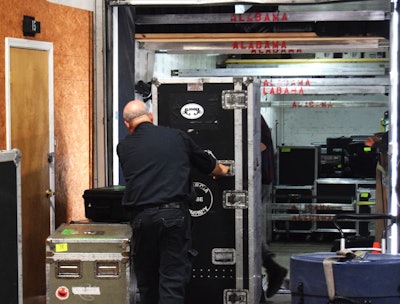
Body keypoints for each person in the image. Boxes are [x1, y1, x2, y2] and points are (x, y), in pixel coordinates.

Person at [117, 100, 230, 304]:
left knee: (147, 281)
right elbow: (210, 166)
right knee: (172, 280)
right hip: (173, 216)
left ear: (127, 124)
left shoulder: (123, 147)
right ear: (150, 116)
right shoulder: (176, 137)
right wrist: (224, 170)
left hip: (141, 219)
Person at [260, 115, 288, 299]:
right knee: (251, 227)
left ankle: (272, 267)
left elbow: (259, 146)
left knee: (250, 228)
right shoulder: (256, 117)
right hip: (261, 177)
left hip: (258, 179)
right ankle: (270, 268)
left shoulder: (251, 117)